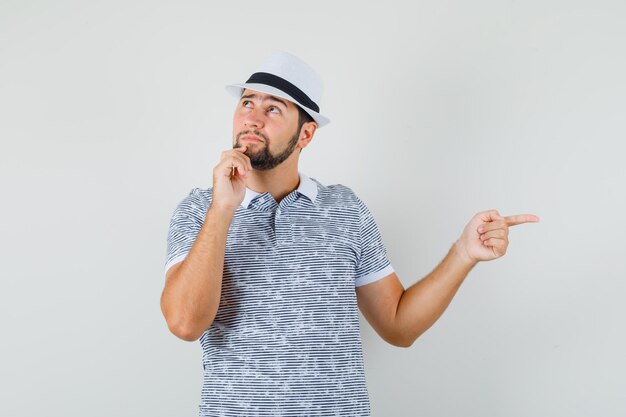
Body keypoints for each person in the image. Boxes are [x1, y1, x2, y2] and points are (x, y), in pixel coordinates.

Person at [160, 51, 540, 416]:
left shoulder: (344, 209)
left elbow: (398, 325)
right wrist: (223, 209)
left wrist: (463, 253)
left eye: (273, 108)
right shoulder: (199, 211)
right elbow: (184, 324)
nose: (253, 118)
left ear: (306, 134)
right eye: (247, 102)